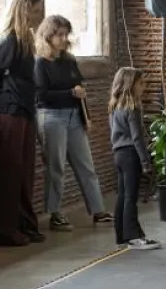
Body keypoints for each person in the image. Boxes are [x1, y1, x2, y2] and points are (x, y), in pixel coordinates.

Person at [34, 15, 112, 231]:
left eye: (65, 33)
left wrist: (85, 117)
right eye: (59, 34)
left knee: (86, 165)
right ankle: (55, 214)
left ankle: (98, 211)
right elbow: (41, 96)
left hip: (74, 117)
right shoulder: (41, 63)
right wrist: (70, 92)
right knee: (56, 167)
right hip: (51, 117)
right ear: (47, 35)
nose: (63, 38)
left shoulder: (69, 60)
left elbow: (79, 89)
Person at [0, 0, 44, 246]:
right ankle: (7, 229)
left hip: (25, 111)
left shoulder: (26, 41)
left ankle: (25, 224)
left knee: (25, 172)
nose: (40, 15)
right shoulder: (11, 41)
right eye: (37, 11)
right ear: (25, 10)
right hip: (11, 111)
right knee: (11, 172)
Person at [109, 67, 160, 250]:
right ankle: (134, 236)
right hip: (131, 154)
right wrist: (146, 162)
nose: (143, 87)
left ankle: (121, 235)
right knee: (131, 197)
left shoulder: (115, 106)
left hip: (118, 154)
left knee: (123, 196)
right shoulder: (133, 107)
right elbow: (137, 137)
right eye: (140, 83)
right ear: (130, 85)